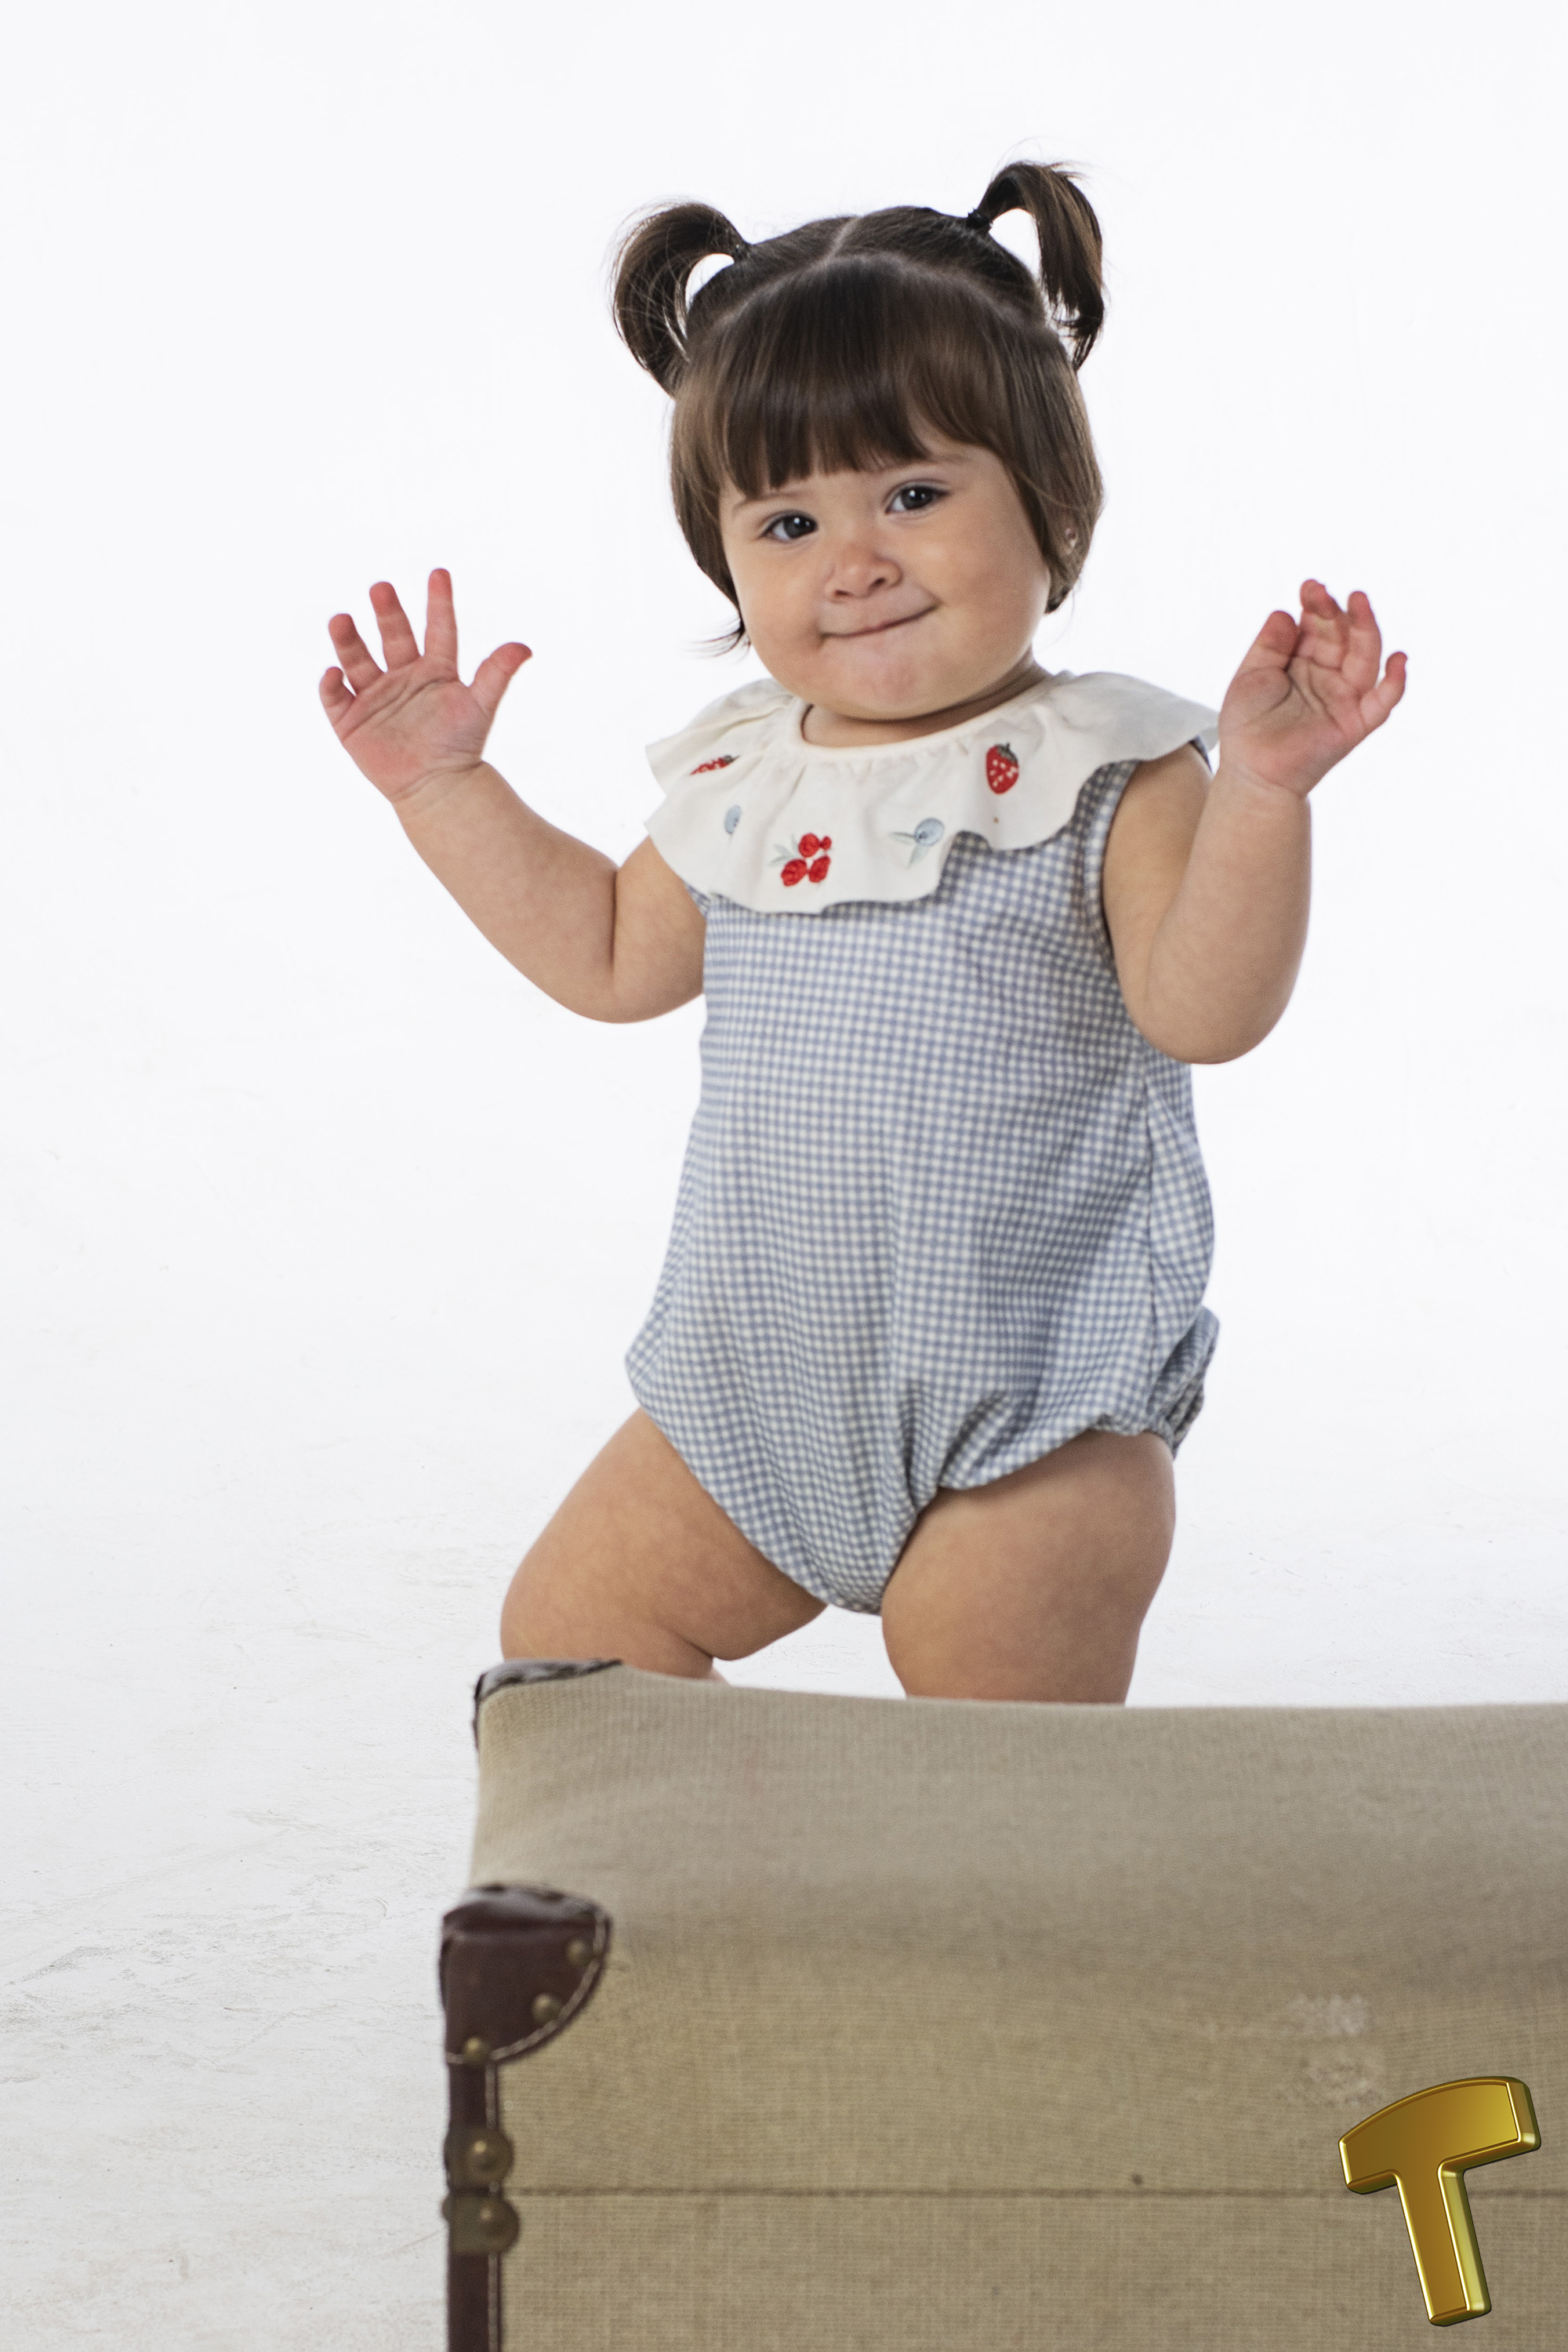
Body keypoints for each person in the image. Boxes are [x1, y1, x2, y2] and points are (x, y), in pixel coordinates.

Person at [320, 164, 1404, 1704]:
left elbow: (1202, 1012)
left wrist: (1266, 799)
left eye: (912, 495)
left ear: (1050, 500)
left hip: (1034, 1411)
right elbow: (609, 953)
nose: (856, 560)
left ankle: (977, 1868)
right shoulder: (747, 777)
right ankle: (724, 1862)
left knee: (980, 1700)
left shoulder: (1111, 770)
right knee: (573, 1626)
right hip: (755, 1396)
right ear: (726, 556)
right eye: (788, 520)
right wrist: (445, 791)